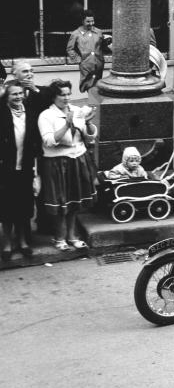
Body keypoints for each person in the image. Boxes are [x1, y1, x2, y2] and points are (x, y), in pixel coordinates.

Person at [38, 79, 97, 251]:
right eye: (61, 95)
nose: (66, 98)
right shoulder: (46, 116)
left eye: (68, 94)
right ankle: (59, 237)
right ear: (54, 97)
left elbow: (89, 138)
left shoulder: (77, 110)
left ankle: (72, 236)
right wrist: (67, 125)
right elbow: (48, 141)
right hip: (56, 162)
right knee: (60, 202)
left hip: (78, 158)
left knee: (75, 200)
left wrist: (87, 123)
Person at [0, 81, 41, 260]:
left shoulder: (30, 113)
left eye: (20, 93)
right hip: (5, 169)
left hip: (25, 168)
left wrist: (36, 173)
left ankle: (23, 241)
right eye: (13, 94)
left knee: (24, 207)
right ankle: (8, 243)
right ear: (6, 97)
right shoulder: (1, 114)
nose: (18, 97)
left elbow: (35, 143)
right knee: (7, 208)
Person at [66, 9, 109, 93]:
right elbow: (70, 49)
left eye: (92, 21)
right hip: (86, 65)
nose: (91, 24)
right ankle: (93, 104)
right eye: (88, 21)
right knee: (89, 85)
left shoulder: (98, 32)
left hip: (98, 63)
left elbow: (102, 46)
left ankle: (94, 104)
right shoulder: (76, 34)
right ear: (82, 21)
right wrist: (79, 60)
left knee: (97, 85)